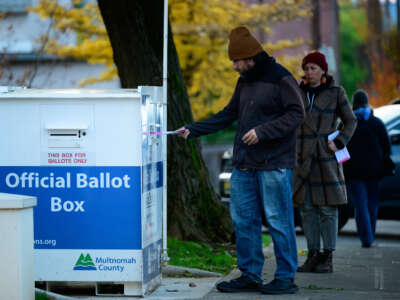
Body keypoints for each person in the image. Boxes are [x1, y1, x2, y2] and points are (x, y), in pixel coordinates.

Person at [177, 26, 304, 294]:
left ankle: (285, 277)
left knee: (278, 220)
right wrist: (194, 129)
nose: (234, 66)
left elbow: (296, 114)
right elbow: (228, 114)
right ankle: (250, 274)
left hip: (274, 164)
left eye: (236, 61)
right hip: (245, 165)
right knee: (243, 220)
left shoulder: (281, 79)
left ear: (250, 57)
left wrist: (262, 132)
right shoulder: (244, 81)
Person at [293, 51, 357, 273]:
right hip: (301, 158)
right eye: (306, 68)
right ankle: (312, 254)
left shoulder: (336, 93)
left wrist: (339, 142)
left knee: (327, 210)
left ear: (323, 71)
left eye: (313, 68)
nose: (309, 72)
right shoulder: (297, 93)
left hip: (325, 157)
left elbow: (351, 120)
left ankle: (327, 256)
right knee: (307, 209)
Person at [344, 90, 392, 248]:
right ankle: (370, 233)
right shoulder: (376, 122)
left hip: (353, 172)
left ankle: (366, 238)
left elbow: (339, 146)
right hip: (374, 172)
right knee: (372, 204)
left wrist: (343, 165)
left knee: (360, 205)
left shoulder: (347, 123)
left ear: (354, 104)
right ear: (366, 103)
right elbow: (387, 147)